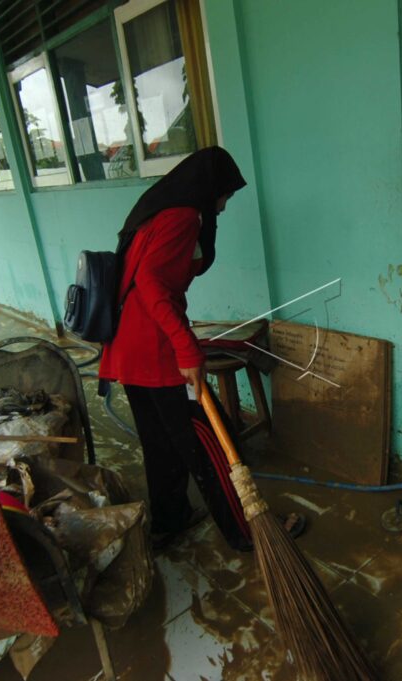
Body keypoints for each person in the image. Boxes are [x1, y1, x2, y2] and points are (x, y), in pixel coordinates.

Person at [98, 147, 301, 552]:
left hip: (128, 349)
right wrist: (187, 351)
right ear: (210, 189)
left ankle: (170, 521)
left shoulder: (154, 214)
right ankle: (248, 532)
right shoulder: (182, 217)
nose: (223, 206)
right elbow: (152, 285)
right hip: (158, 352)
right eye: (225, 195)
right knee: (213, 444)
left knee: (160, 443)